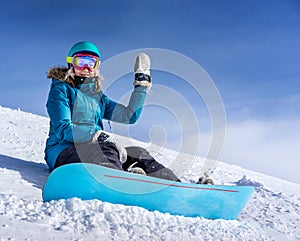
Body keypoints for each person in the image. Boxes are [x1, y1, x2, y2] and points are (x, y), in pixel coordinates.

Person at [44, 41, 181, 182]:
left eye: (92, 63)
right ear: (71, 63)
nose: (86, 68)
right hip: (62, 152)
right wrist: (97, 135)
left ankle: (175, 186)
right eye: (81, 62)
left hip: (94, 149)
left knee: (138, 154)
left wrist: (142, 85)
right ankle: (119, 183)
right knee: (104, 149)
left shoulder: (98, 98)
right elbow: (63, 129)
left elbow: (129, 116)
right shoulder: (61, 90)